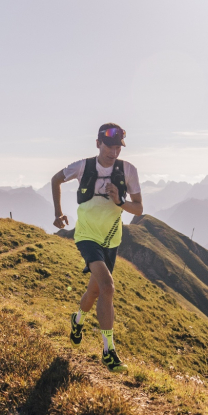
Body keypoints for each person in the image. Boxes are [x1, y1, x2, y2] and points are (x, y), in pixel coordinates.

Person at [50, 123, 144, 373]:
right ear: (97, 143)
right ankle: (108, 352)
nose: (114, 152)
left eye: (117, 148)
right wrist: (58, 213)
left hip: (111, 240)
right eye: (109, 146)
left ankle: (77, 320)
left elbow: (139, 209)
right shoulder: (83, 166)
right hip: (87, 236)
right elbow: (56, 179)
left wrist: (119, 201)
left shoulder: (128, 170)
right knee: (107, 287)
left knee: (93, 294)